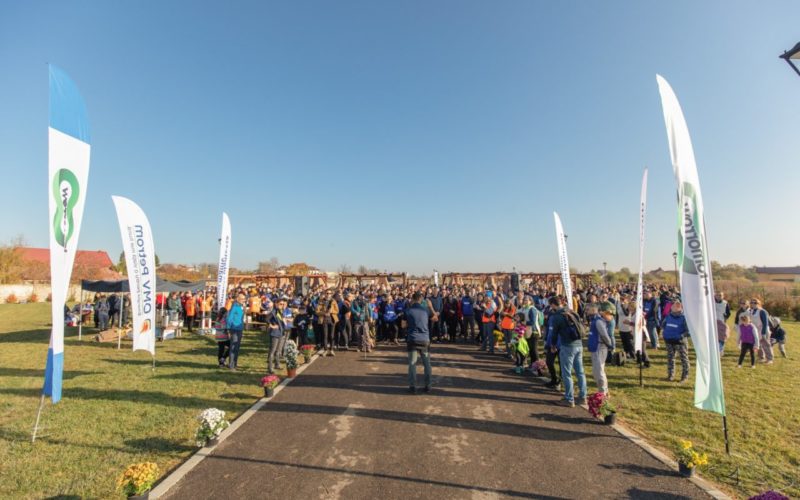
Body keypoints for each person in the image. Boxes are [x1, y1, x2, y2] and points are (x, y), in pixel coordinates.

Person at [548, 296, 587, 407]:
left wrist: (553, 345)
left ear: (553, 305)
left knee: (567, 373)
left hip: (567, 345)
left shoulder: (557, 316)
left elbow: (554, 333)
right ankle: (583, 396)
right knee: (580, 372)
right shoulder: (572, 312)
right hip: (579, 344)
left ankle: (569, 398)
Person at [405, 292, 432, 394]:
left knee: (412, 363)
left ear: (412, 299)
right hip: (424, 339)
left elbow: (403, 325)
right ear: (420, 299)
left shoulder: (408, 310)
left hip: (413, 339)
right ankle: (428, 386)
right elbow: (435, 318)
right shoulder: (426, 310)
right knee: (427, 363)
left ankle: (412, 386)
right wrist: (430, 307)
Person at [588, 304, 615, 395]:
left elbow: (604, 335)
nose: (587, 311)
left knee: (599, 371)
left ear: (594, 310)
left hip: (600, 347)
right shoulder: (594, 320)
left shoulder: (598, 321)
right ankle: (602, 390)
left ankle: (603, 392)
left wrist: (610, 345)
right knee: (596, 371)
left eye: (589, 309)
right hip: (595, 347)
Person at [661, 300, 690, 382]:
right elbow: (663, 325)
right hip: (669, 341)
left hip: (680, 342)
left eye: (678, 306)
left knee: (684, 359)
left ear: (681, 308)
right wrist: (665, 334)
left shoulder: (684, 318)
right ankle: (670, 376)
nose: (675, 307)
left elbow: (689, 331)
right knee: (670, 359)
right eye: (674, 306)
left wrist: (681, 336)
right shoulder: (668, 316)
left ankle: (684, 377)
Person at [266, 298, 287, 373]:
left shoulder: (280, 311)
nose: (282, 305)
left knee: (278, 350)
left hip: (281, 333)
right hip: (275, 333)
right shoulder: (273, 312)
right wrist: (272, 325)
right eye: (281, 304)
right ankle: (270, 368)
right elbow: (267, 319)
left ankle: (277, 364)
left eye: (283, 304)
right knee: (272, 350)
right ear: (276, 304)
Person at [749, 299, 773, 364]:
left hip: (764, 330)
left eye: (755, 303)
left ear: (758, 303)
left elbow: (765, 323)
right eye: (751, 302)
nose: (753, 304)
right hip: (756, 330)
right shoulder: (751, 311)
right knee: (758, 344)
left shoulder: (762, 311)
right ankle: (761, 357)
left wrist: (763, 333)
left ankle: (769, 359)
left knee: (766, 345)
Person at [226, 294, 246, 371]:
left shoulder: (241, 306)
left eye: (244, 299)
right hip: (234, 329)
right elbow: (229, 318)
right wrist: (228, 328)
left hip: (239, 328)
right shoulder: (234, 306)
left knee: (237, 347)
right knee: (233, 347)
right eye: (242, 299)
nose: (244, 300)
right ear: (237, 299)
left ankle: (235, 363)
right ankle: (231, 365)